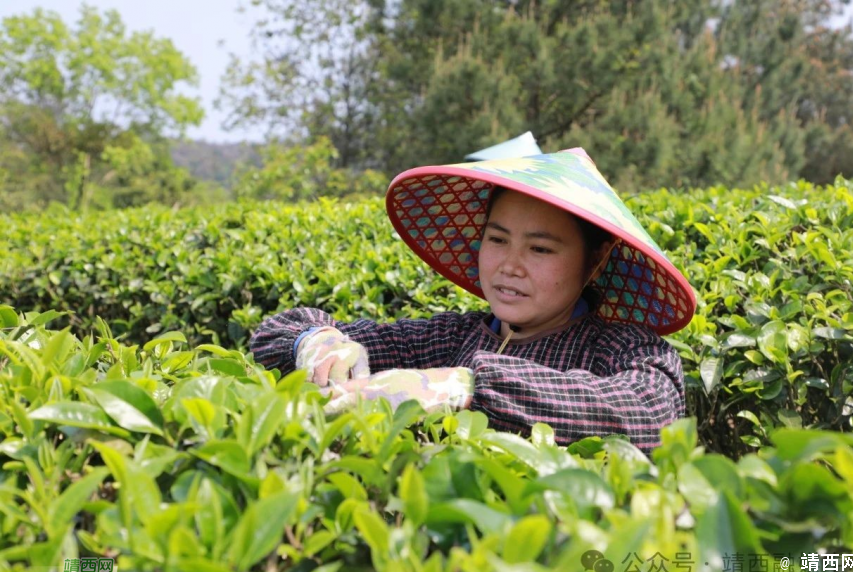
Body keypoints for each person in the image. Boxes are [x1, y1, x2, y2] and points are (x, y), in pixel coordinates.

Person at [250, 148, 696, 452]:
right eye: (497, 240)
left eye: (540, 249)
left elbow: (648, 411)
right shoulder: (451, 337)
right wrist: (320, 343)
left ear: (594, 261)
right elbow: (277, 332)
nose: (510, 266)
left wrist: (464, 387)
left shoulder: (624, 348)